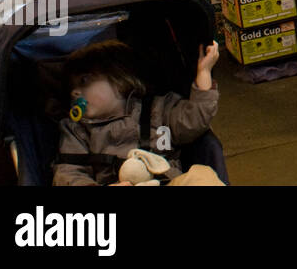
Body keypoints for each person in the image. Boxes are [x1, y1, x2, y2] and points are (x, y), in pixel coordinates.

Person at [54, 39, 223, 186]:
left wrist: (203, 73)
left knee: (202, 175)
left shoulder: (159, 109)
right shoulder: (77, 130)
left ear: (119, 79)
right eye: (72, 88)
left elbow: (193, 121)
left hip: (164, 181)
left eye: (84, 81)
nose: (75, 92)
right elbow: (68, 173)